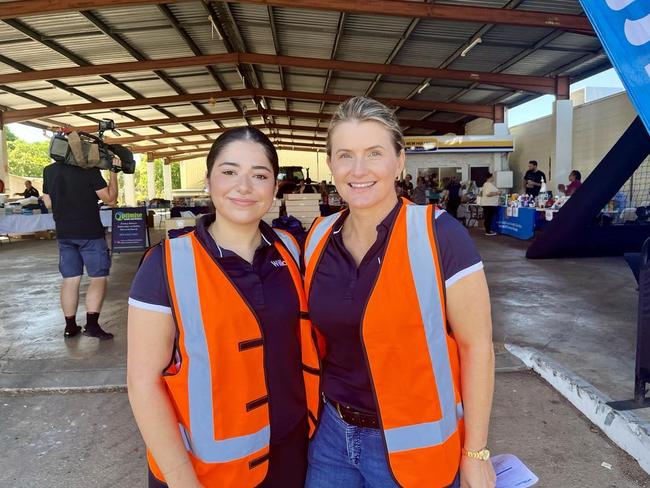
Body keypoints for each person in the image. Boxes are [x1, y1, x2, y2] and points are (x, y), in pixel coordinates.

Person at [304, 97, 496, 488]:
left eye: (374, 153)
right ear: (331, 165)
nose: (358, 170)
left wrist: (475, 454)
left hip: (413, 448)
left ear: (399, 160)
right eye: (345, 155)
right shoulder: (318, 237)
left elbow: (477, 348)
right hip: (330, 439)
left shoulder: (440, 235)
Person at [127, 127, 320, 488]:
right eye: (229, 172)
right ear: (208, 181)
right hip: (203, 471)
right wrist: (181, 478)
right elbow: (142, 382)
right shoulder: (166, 263)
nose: (243, 187)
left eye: (259, 175)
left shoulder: (291, 251)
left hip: (289, 455)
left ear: (275, 188)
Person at [41, 157, 119, 339]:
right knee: (98, 278)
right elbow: (110, 199)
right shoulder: (90, 170)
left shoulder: (49, 171)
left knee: (70, 280)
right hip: (90, 233)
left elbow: (48, 203)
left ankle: (70, 327)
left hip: (64, 233)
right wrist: (114, 172)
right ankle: (91, 325)